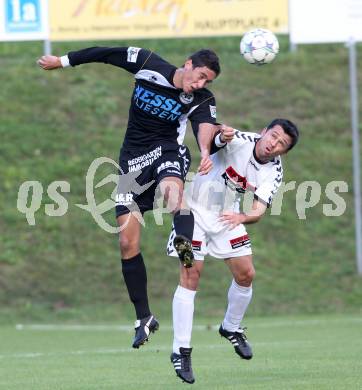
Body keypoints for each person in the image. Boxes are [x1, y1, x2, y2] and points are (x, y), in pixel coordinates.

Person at [37, 46, 221, 348]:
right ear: (188, 64)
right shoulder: (147, 63)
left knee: (172, 193)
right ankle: (144, 318)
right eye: (200, 76)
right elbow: (105, 53)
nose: (200, 84)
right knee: (126, 242)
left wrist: (204, 151)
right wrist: (62, 62)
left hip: (167, 150)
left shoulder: (201, 98)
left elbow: (205, 126)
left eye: (207, 81)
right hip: (132, 159)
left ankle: (186, 251)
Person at [167, 118, 299, 384]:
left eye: (281, 144)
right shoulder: (240, 140)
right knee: (191, 276)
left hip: (228, 217)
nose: (273, 144)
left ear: (284, 152)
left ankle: (231, 327)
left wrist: (242, 217)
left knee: (246, 274)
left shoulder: (274, 170)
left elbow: (259, 210)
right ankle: (180, 350)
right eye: (273, 136)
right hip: (190, 213)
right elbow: (214, 136)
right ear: (264, 132)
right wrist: (219, 136)